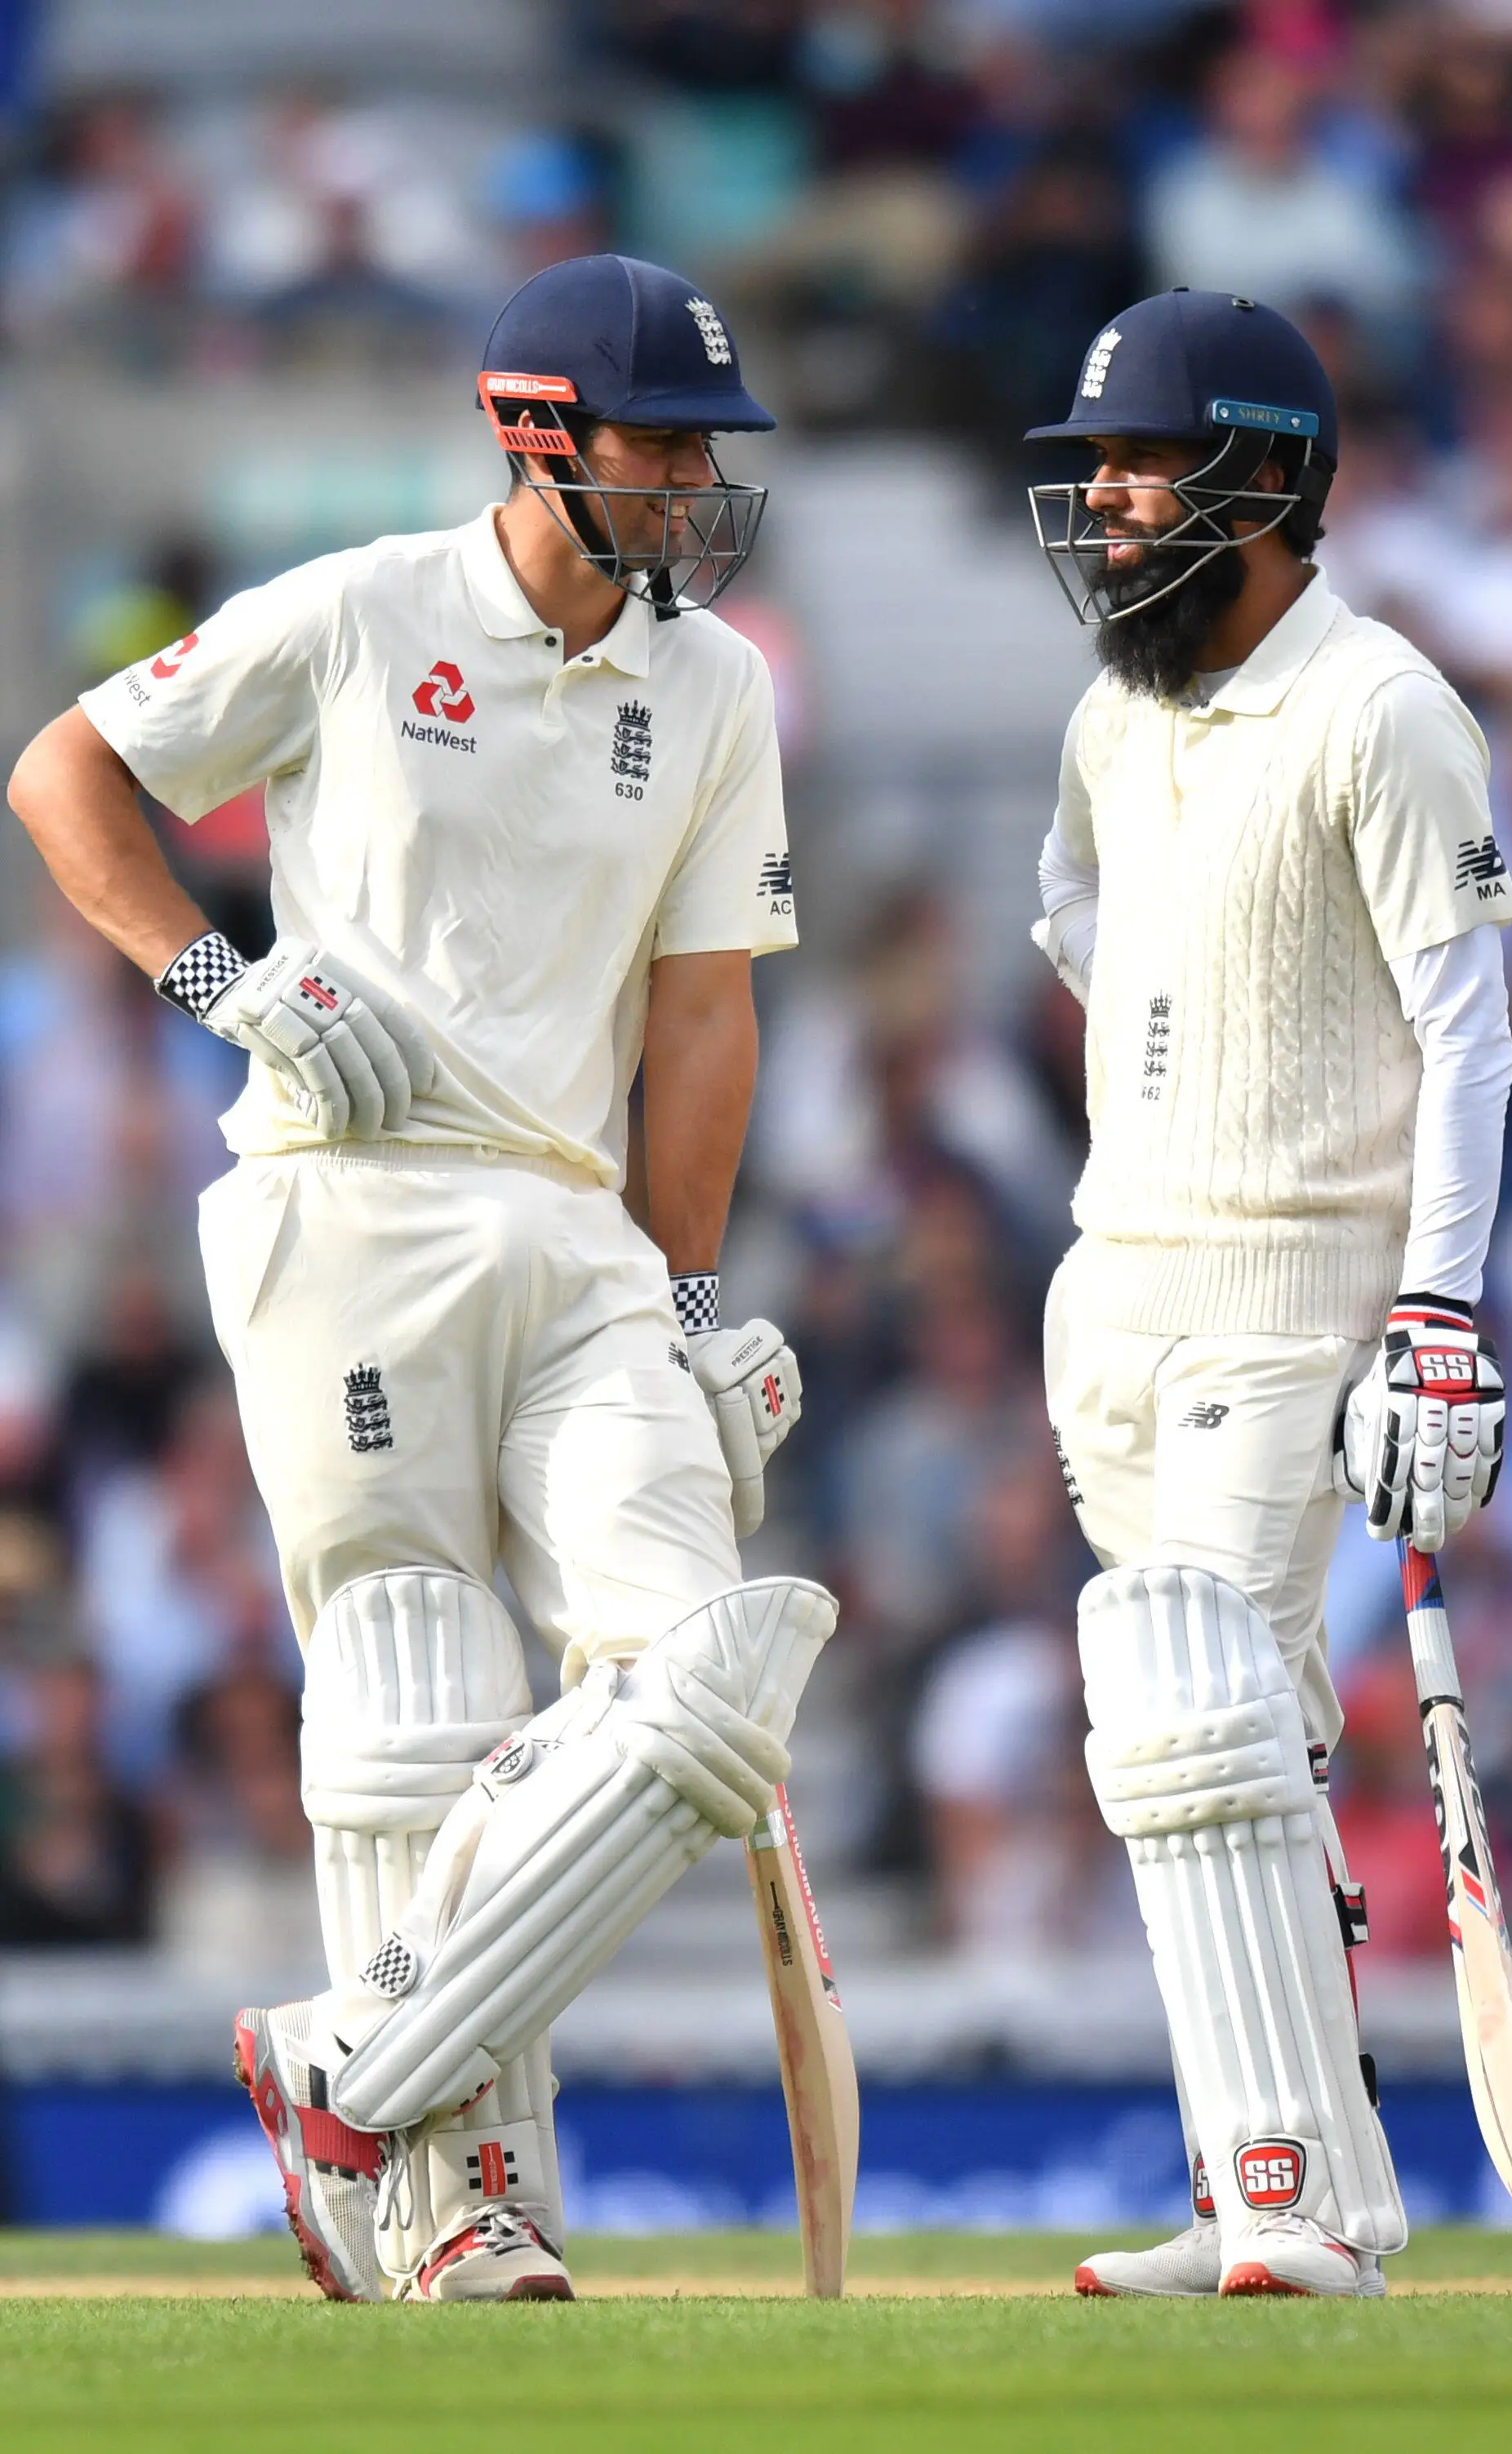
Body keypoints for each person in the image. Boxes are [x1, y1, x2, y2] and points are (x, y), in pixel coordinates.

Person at [7, 252, 835, 2305]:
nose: (694, 486)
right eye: (660, 445)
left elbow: (706, 1011)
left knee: (705, 1679)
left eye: (706, 449)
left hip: (582, 1232)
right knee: (412, 1696)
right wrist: (224, 978)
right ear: (538, 436)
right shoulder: (366, 610)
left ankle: (346, 2055)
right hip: (345, 1193)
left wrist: (702, 1287)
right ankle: (463, 2200)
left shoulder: (715, 686)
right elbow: (65, 773)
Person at [1025, 288, 1512, 2297]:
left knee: (1200, 1721)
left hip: (1294, 1290)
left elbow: (1467, 1032)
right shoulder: (1112, 711)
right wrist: (1169, 1029)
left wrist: (1439, 1313)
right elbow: (1070, 902)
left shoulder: (1384, 705)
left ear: (1274, 477)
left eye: (1148, 462)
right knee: (1218, 1753)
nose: (1114, 501)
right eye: (1102, 468)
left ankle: (1288, 2190)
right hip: (1110, 1282)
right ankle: (1307, 2194)